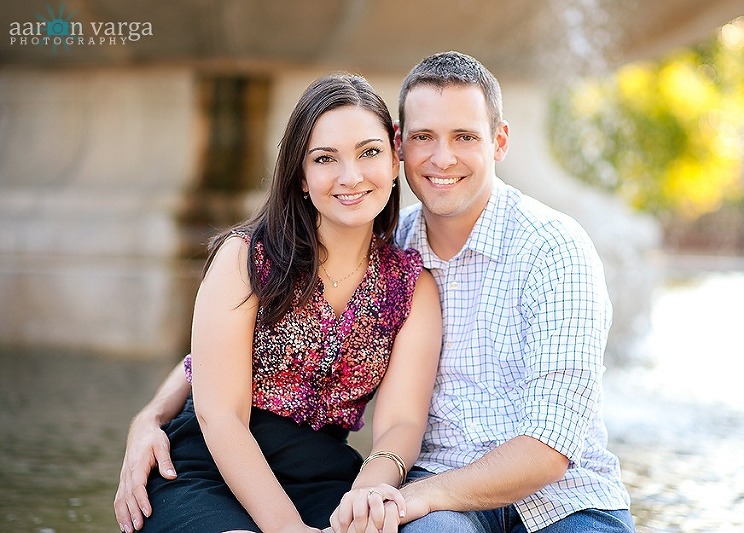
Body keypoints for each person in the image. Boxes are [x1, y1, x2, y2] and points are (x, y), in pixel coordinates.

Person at [116, 51, 636, 533]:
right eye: (424, 137)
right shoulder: (259, 255)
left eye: (465, 137)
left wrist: (378, 495)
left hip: (553, 500)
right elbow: (212, 366)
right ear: (402, 147)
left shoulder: (445, 269)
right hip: (236, 469)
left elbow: (428, 428)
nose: (442, 158)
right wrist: (151, 417)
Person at [112, 73, 442, 533]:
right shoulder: (246, 257)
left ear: (394, 157)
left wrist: (364, 498)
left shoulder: (411, 285)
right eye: (325, 159)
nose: (351, 176)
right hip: (207, 465)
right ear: (302, 177)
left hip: (325, 475)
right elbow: (219, 413)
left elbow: (401, 424)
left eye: (369, 152)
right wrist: (287, 529)